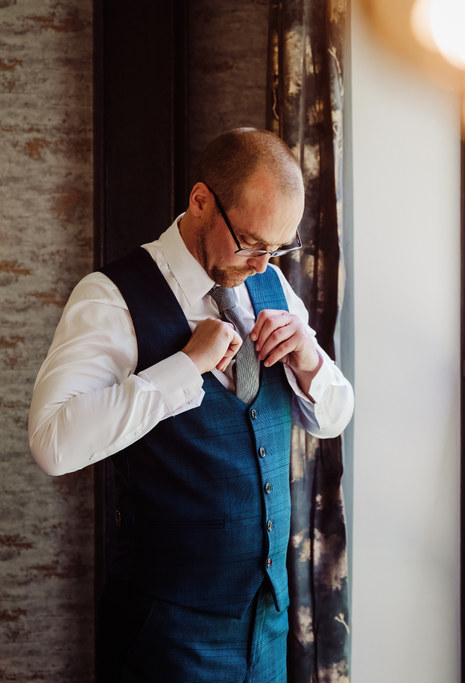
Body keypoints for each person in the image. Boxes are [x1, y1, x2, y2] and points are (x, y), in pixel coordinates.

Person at [28, 127, 354, 682]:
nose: (262, 263)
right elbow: (53, 443)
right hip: (165, 636)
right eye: (251, 242)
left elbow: (334, 416)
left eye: (278, 247)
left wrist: (308, 360)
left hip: (266, 629)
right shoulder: (110, 299)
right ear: (201, 200)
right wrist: (185, 366)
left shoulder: (272, 285)